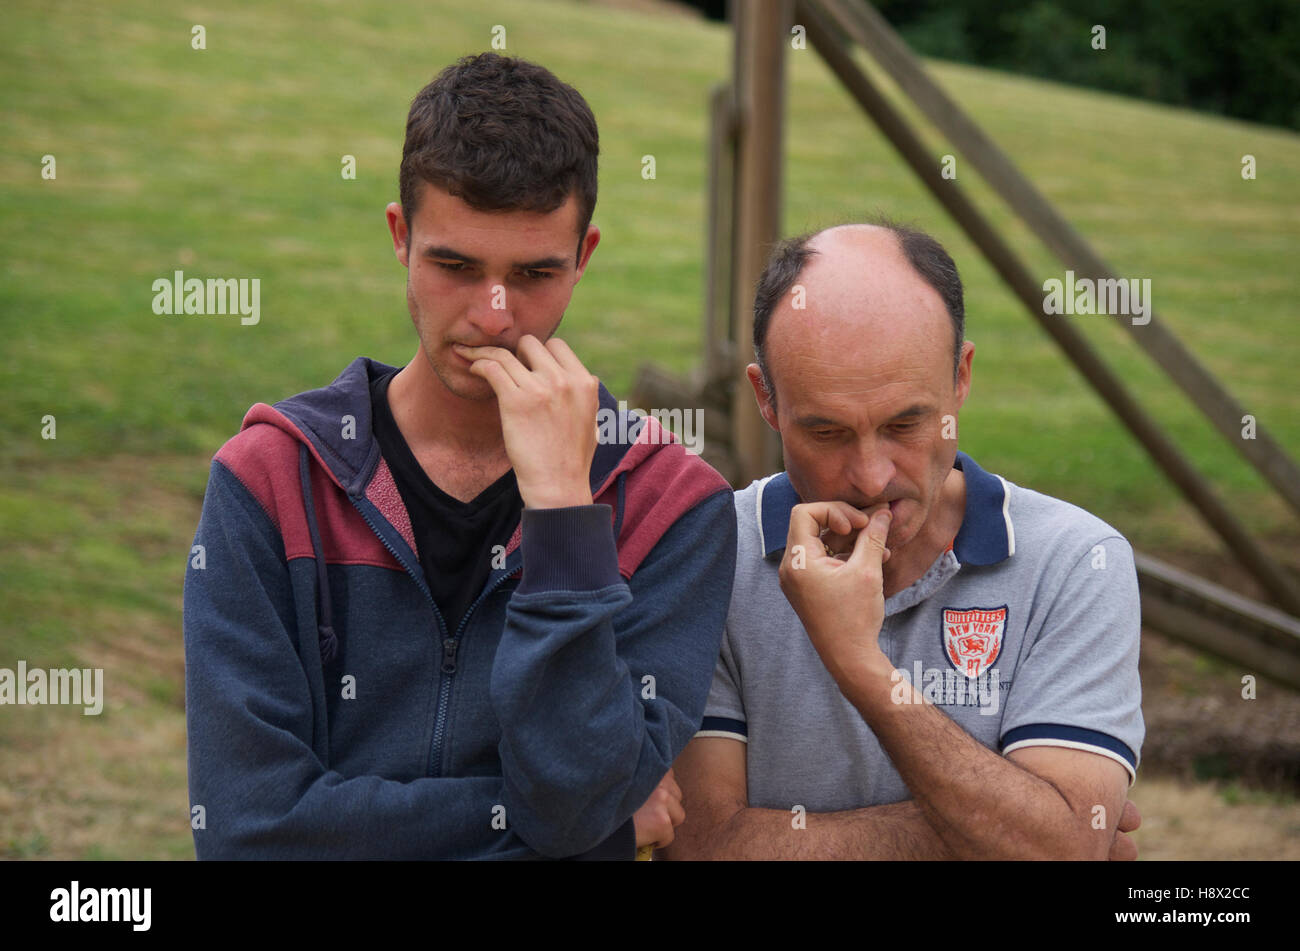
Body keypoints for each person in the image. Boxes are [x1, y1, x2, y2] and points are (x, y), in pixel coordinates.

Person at [182, 53, 734, 859]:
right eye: (456, 266)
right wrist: (561, 831)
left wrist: (562, 515)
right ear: (400, 238)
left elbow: (575, 799)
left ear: (584, 256)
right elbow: (248, 833)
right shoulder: (268, 480)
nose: (494, 314)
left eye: (535, 272)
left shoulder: (674, 506)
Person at [663, 221, 1144, 860]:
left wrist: (859, 664)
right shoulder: (710, 552)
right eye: (826, 432)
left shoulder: (1077, 560)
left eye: (904, 423)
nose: (871, 476)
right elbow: (704, 849)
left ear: (961, 378)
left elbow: (1056, 851)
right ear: (766, 399)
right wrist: (998, 831)